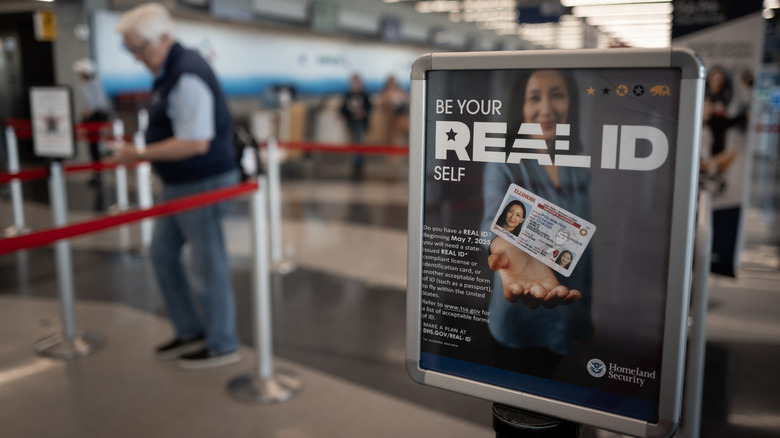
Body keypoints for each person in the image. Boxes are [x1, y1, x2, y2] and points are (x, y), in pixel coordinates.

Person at [108, 3, 241, 370]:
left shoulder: (186, 74)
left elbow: (194, 141)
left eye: (140, 49)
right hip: (182, 183)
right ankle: (189, 330)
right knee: (163, 255)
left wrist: (138, 152)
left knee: (207, 266)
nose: (137, 58)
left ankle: (222, 343)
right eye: (131, 50)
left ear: (164, 38)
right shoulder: (170, 70)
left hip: (202, 183)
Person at [481, 69, 592, 377]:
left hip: (568, 317)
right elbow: (490, 220)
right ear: (521, 106)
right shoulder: (504, 161)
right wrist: (502, 243)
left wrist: (584, 317)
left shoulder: (577, 164)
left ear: (571, 102)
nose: (546, 108)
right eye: (534, 97)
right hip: (517, 323)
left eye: (557, 94)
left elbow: (586, 251)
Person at [73, 58, 111, 185]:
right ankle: (97, 174)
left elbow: (94, 105)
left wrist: (87, 115)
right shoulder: (92, 83)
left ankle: (98, 174)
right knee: (94, 148)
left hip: (95, 118)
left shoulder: (90, 84)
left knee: (95, 148)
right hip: (95, 117)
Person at [340, 73, 372, 180]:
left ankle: (358, 165)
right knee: (353, 144)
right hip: (350, 123)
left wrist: (364, 114)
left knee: (359, 143)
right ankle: (355, 164)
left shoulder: (364, 95)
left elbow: (369, 109)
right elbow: (343, 109)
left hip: (360, 123)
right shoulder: (348, 95)